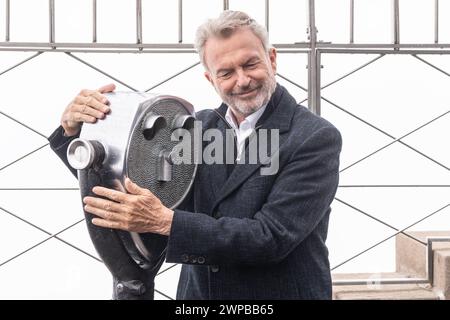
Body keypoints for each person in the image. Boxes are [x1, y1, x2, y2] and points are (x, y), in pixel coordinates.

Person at [48, 10, 342, 299]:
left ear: (272, 59)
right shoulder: (195, 129)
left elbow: (270, 237)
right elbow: (132, 191)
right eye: (226, 73)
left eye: (250, 64)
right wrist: (77, 136)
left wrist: (166, 222)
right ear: (210, 79)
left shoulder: (314, 138)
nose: (242, 80)